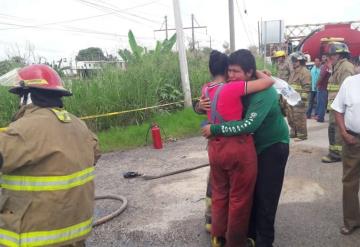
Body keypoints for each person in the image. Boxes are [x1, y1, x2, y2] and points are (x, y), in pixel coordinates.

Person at [0, 64, 100, 247]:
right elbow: (95, 154)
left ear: (27, 96)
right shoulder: (79, 126)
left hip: (36, 237)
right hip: (75, 234)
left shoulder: (22, 131)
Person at [201, 49, 289, 247]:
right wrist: (199, 107)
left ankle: (264, 241)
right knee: (248, 193)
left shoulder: (264, 93)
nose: (230, 76)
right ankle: (248, 235)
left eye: (235, 71)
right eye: (229, 70)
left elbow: (248, 125)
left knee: (266, 197)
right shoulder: (236, 87)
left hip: (272, 147)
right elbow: (214, 103)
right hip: (249, 148)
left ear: (249, 73)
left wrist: (214, 129)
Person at [331, 73, 360, 235]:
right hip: (353, 140)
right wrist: (343, 132)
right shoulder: (350, 82)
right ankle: (352, 221)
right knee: (350, 182)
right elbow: (338, 109)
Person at [321, 42, 355, 163]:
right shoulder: (338, 67)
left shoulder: (346, 67)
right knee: (333, 129)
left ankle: (337, 155)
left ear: (339, 55)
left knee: (337, 130)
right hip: (335, 106)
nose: (329, 58)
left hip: (341, 108)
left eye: (331, 55)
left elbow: (347, 90)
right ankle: (334, 152)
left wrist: (341, 108)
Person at [287, 52, 311, 140]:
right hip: (292, 99)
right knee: (291, 116)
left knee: (299, 117)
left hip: (299, 100)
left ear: (300, 61)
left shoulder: (305, 72)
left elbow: (307, 87)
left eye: (295, 61)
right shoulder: (293, 72)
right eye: (292, 61)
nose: (293, 63)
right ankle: (294, 132)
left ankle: (302, 135)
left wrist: (302, 100)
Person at [315, 55, 332, 123]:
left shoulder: (325, 67)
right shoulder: (330, 67)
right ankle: (320, 116)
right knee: (322, 103)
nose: (323, 58)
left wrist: (316, 84)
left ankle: (320, 118)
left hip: (322, 87)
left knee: (321, 103)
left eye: (325, 57)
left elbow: (321, 76)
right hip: (326, 88)